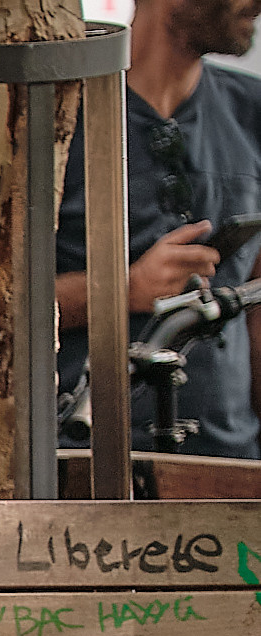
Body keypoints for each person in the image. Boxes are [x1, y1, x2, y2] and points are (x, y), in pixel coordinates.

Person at [54, 0, 261, 458]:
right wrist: (122, 289)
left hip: (229, 465)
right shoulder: (56, 114)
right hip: (79, 464)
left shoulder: (251, 112)